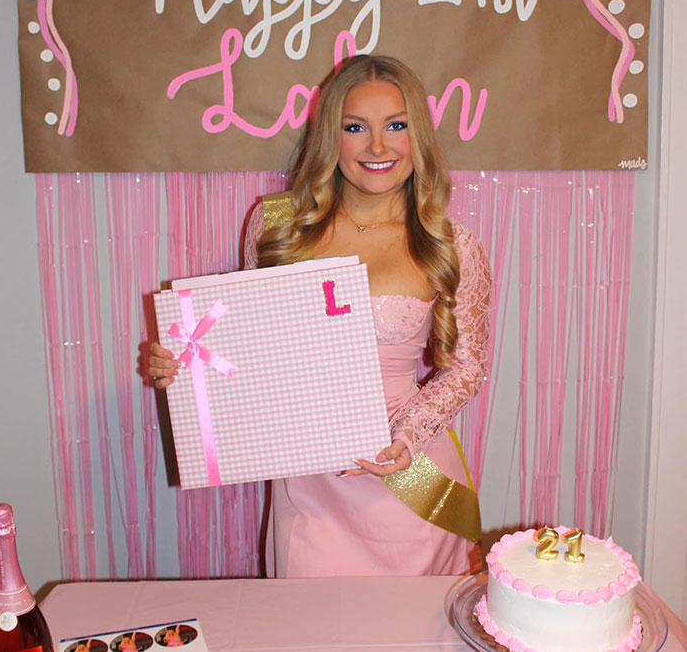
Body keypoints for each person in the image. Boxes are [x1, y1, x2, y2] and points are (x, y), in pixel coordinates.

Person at [149, 54, 491, 576]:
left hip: (412, 476)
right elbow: (249, 346)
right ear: (331, 137)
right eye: (355, 127)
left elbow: (467, 366)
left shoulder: (449, 243)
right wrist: (184, 367)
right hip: (309, 488)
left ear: (417, 135)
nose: (378, 146)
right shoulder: (278, 223)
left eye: (395, 125)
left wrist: (406, 433)